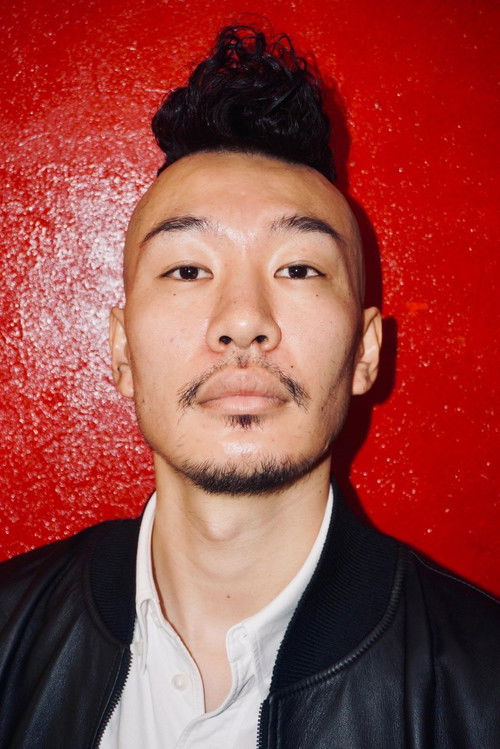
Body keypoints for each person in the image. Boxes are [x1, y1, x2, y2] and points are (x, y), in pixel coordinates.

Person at [0, 24, 498, 749]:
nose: (242, 321)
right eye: (187, 269)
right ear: (122, 350)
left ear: (365, 351)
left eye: (298, 269)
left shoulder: (482, 690)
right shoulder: (10, 635)